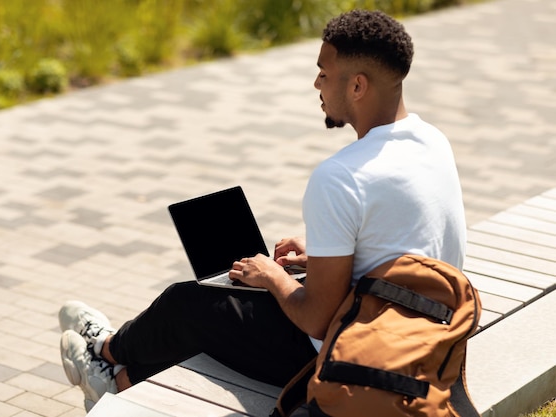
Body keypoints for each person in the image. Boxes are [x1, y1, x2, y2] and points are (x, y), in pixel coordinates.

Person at [59, 9, 466, 412]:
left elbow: (317, 321)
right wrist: (324, 255)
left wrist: (273, 277)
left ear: (357, 86)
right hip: (427, 336)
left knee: (189, 303)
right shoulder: (433, 142)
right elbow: (404, 246)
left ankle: (104, 352)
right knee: (223, 304)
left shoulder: (341, 176)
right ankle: (117, 379)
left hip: (348, 360)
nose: (316, 83)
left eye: (324, 73)